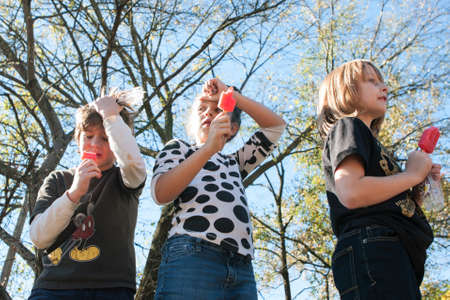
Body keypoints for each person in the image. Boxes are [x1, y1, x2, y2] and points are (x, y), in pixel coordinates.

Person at [317, 59, 441, 299]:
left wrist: (418, 187)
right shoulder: (348, 127)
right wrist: (411, 174)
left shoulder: (376, 147)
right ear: (345, 91)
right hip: (372, 246)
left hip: (395, 250)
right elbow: (352, 192)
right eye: (371, 81)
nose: (384, 87)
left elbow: (394, 204)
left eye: (382, 82)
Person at [151, 78, 286, 299]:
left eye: (216, 109)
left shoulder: (235, 162)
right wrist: (208, 148)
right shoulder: (180, 148)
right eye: (202, 108)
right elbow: (161, 193)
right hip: (192, 254)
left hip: (241, 266)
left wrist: (232, 97)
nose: (208, 113)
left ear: (232, 128)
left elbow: (275, 126)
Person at [28, 88, 147, 300]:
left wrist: (111, 117)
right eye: (89, 136)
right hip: (54, 286)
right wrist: (73, 194)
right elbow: (39, 237)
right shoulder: (58, 179)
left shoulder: (125, 178)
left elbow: (133, 163)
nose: (95, 144)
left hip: (112, 287)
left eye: (106, 138)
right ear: (77, 139)